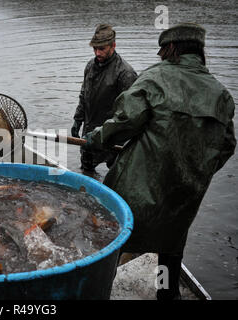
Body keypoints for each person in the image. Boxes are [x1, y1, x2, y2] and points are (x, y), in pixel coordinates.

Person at [82, 23, 236, 299]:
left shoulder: (155, 78)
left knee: (113, 238)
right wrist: (195, 172)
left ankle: (95, 290)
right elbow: (226, 147)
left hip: (138, 186)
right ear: (200, 52)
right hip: (185, 194)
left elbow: (124, 123)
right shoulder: (221, 95)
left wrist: (96, 137)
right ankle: (168, 294)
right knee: (171, 245)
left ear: (171, 48)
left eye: (162, 50)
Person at [71, 24, 137, 172]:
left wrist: (113, 134)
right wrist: (77, 119)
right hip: (89, 132)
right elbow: (84, 95)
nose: (97, 53)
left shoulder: (125, 73)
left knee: (116, 175)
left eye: (102, 49)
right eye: (95, 49)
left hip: (113, 137)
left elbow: (129, 114)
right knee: (86, 172)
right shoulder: (90, 66)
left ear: (113, 46)